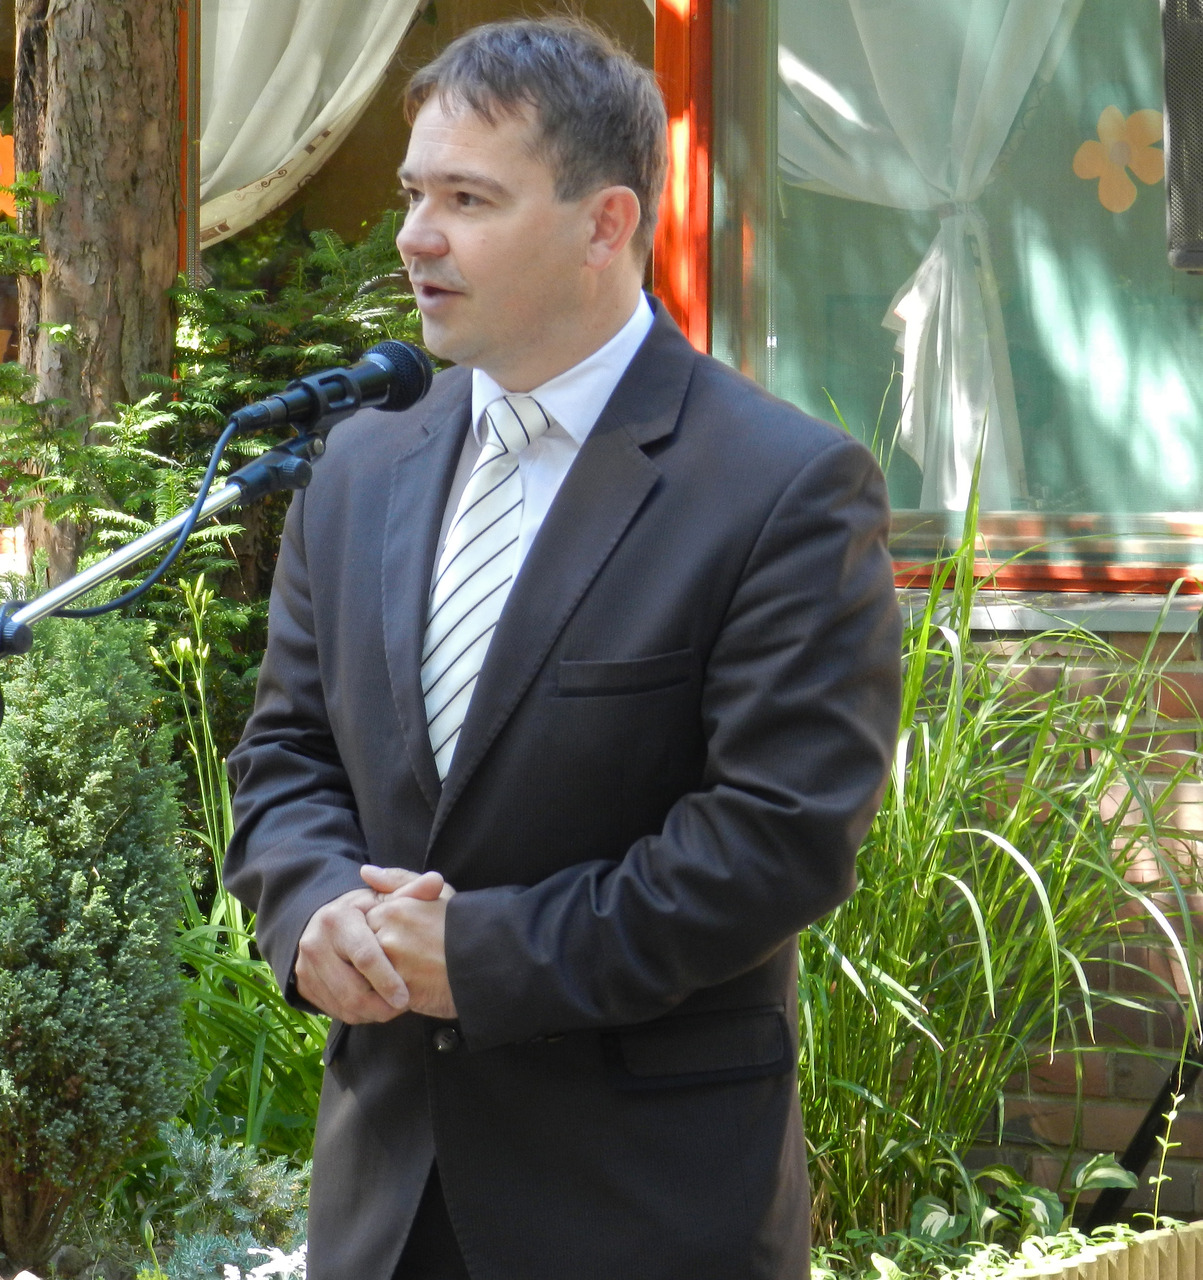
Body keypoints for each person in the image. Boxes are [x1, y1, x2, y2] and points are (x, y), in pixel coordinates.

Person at [224, 17, 903, 1280]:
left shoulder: (781, 488)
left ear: (606, 224)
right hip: (387, 1210)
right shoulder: (357, 465)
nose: (416, 236)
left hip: (642, 1212)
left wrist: (478, 957)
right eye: (413, 194)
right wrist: (314, 911)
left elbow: (776, 839)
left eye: (467, 199)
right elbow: (287, 755)